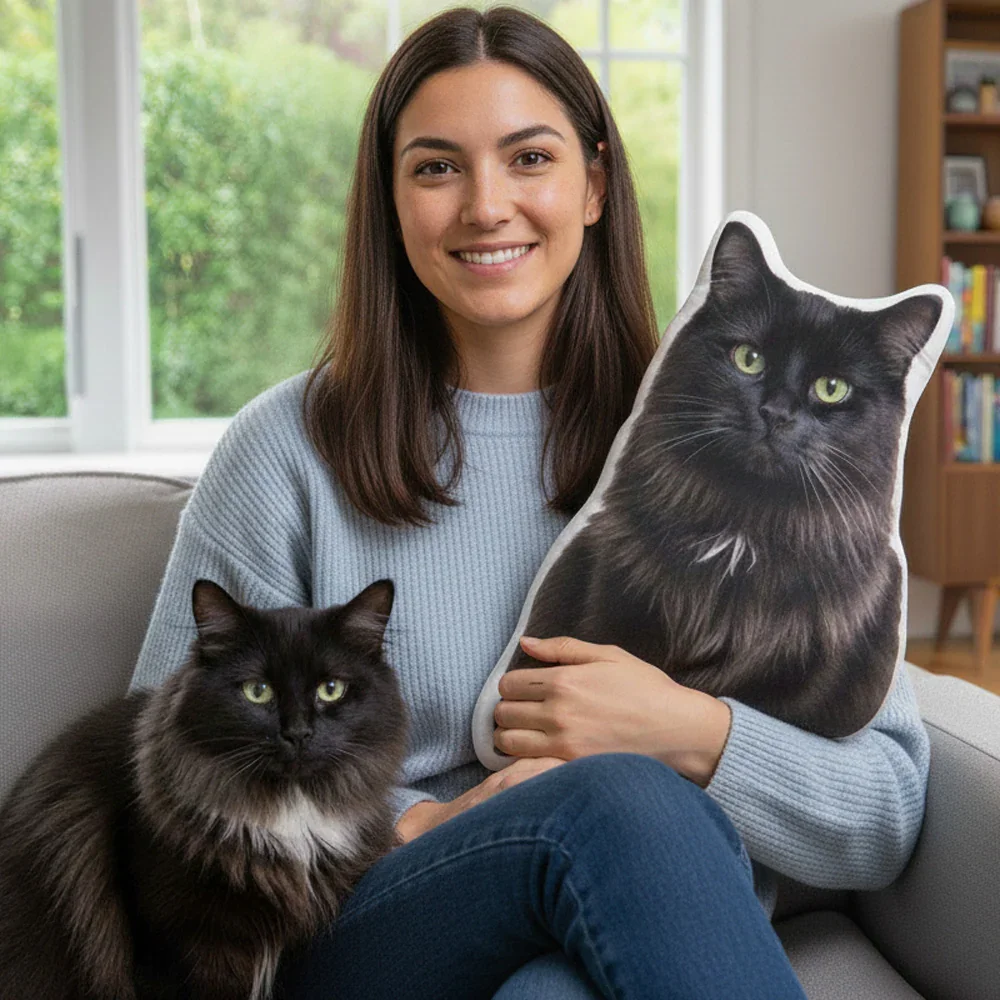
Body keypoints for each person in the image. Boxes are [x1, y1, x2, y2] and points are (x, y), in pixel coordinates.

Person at [129, 7, 930, 998]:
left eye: (529, 158)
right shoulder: (285, 451)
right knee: (609, 805)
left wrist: (691, 730)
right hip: (364, 928)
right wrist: (427, 819)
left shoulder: (732, 439)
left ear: (593, 184)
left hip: (636, 929)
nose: (485, 205)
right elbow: (160, 777)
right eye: (435, 168)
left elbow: (888, 815)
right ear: (388, 199)